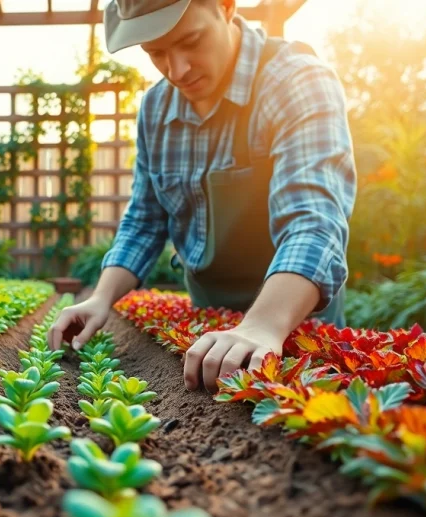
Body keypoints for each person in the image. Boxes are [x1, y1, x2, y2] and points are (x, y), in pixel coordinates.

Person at [47, 0, 356, 391]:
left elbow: (314, 223)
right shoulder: (156, 108)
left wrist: (262, 325)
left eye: (191, 40)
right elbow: (144, 221)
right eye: (156, 53)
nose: (177, 70)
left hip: (292, 325)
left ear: (226, 7)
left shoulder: (296, 81)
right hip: (208, 325)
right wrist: (101, 297)